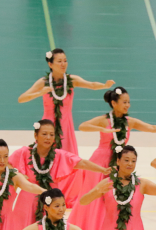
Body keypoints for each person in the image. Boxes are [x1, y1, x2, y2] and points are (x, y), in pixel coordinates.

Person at [69, 86, 156, 230]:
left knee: (113, 196)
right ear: (114, 103)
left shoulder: (129, 122)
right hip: (100, 162)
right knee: (97, 195)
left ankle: (109, 229)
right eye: (124, 102)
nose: (128, 105)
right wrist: (102, 129)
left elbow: (151, 128)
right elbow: (83, 126)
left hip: (120, 162)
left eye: (128, 102)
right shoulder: (104, 120)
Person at [18, 48, 114, 203]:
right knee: (45, 157)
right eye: (59, 61)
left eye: (65, 61)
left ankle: (67, 195)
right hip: (48, 127)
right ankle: (44, 191)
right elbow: (21, 98)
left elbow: (91, 84)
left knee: (70, 159)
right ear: (50, 64)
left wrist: (104, 85)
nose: (63, 64)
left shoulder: (71, 80)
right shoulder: (43, 82)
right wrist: (40, 92)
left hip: (66, 127)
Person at [7, 118, 109, 230]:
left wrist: (103, 170)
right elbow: (8, 164)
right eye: (44, 134)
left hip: (52, 202)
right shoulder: (24, 153)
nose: (48, 137)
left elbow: (82, 163)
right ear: (36, 135)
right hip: (26, 201)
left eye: (51, 134)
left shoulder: (59, 155)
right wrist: (17, 175)